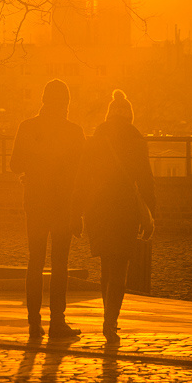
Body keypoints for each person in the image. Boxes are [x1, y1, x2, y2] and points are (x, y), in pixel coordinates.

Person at [73, 90, 155, 345]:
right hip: (124, 209)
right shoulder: (137, 140)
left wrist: (77, 211)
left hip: (98, 209)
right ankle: (110, 322)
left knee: (106, 265)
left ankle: (107, 317)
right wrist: (151, 214)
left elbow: (82, 177)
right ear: (129, 116)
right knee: (120, 266)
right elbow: (146, 181)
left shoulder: (96, 139)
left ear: (109, 115)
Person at [9, 79, 85, 340]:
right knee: (60, 264)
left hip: (36, 202)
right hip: (63, 206)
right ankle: (57, 321)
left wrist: (33, 168)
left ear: (43, 99)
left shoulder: (27, 127)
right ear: (66, 103)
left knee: (35, 261)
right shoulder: (74, 132)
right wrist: (79, 210)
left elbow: (15, 165)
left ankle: (33, 321)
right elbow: (81, 176)